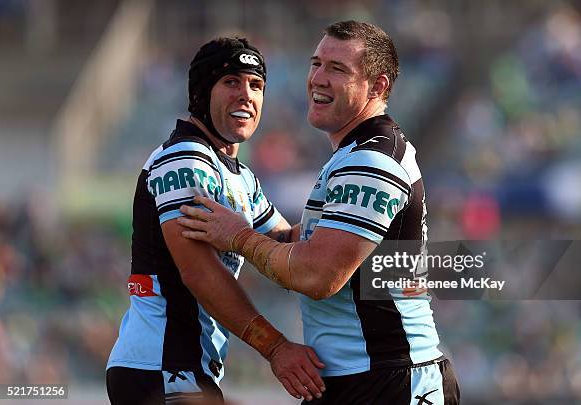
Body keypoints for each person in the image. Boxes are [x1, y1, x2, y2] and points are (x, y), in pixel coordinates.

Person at [178, 21, 460, 404]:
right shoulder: (353, 155)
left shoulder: (371, 159)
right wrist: (243, 217)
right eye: (316, 64)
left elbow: (316, 275)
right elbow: (299, 249)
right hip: (357, 378)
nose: (318, 79)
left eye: (337, 69)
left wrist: (239, 236)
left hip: (391, 380)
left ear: (377, 87)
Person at [106, 37, 326, 405]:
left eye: (256, 85)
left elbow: (287, 244)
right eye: (231, 82)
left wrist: (351, 225)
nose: (246, 95)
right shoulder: (184, 159)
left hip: (187, 368)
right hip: (160, 367)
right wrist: (276, 348)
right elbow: (200, 273)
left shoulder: (240, 175)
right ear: (201, 93)